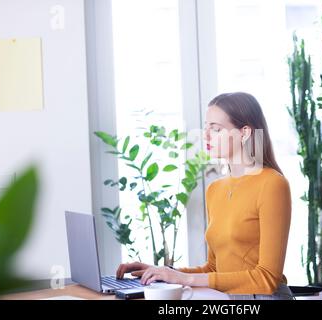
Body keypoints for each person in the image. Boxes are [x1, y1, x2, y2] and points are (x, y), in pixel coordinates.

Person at [116, 92, 293, 300]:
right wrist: (163, 272)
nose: (206, 136)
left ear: (244, 133)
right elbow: (214, 268)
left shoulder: (272, 184)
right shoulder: (215, 189)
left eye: (216, 129)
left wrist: (185, 279)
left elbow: (267, 279)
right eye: (206, 127)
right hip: (225, 297)